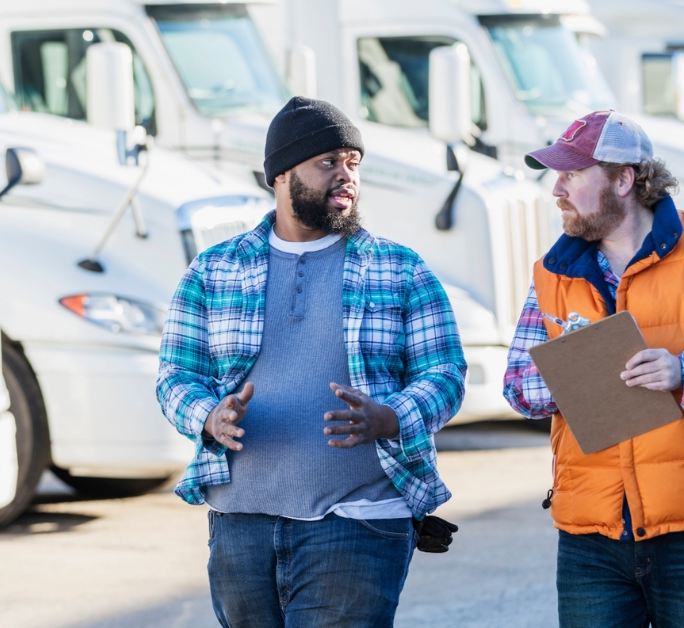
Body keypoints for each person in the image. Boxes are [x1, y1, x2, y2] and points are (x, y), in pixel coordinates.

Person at [157, 96, 465, 627]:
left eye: (353, 162)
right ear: (280, 174)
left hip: (359, 521)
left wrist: (389, 417)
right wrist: (208, 415)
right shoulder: (214, 270)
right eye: (328, 162)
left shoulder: (400, 269)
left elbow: (445, 373)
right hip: (240, 523)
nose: (345, 176)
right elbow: (175, 376)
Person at [503, 110, 684, 627]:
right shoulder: (552, 273)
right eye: (557, 175)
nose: (557, 189)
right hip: (591, 537)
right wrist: (577, 375)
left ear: (623, 178)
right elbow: (518, 387)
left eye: (572, 174)